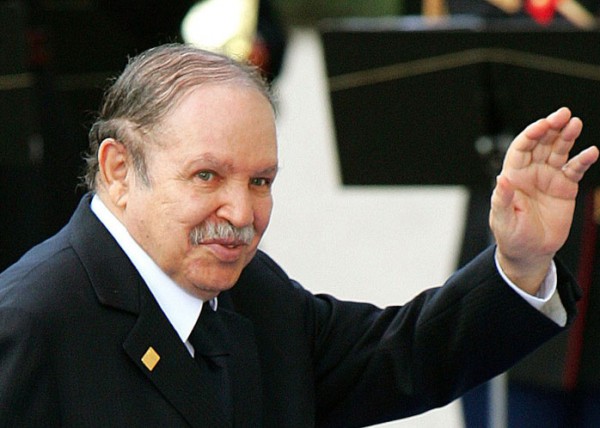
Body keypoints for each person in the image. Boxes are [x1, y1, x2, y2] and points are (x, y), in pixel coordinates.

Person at [0, 43, 597, 427]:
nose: (241, 212)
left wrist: (520, 261)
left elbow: (401, 356)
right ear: (118, 170)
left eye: (261, 181)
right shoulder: (30, 323)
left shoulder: (252, 294)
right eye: (207, 176)